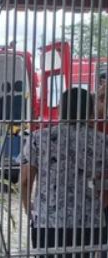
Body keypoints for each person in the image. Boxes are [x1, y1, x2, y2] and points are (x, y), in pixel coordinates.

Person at [21, 88, 108, 257]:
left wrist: (28, 208)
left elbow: (25, 181)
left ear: (60, 108)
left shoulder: (38, 139)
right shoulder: (102, 141)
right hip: (90, 222)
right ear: (90, 111)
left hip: (49, 221)